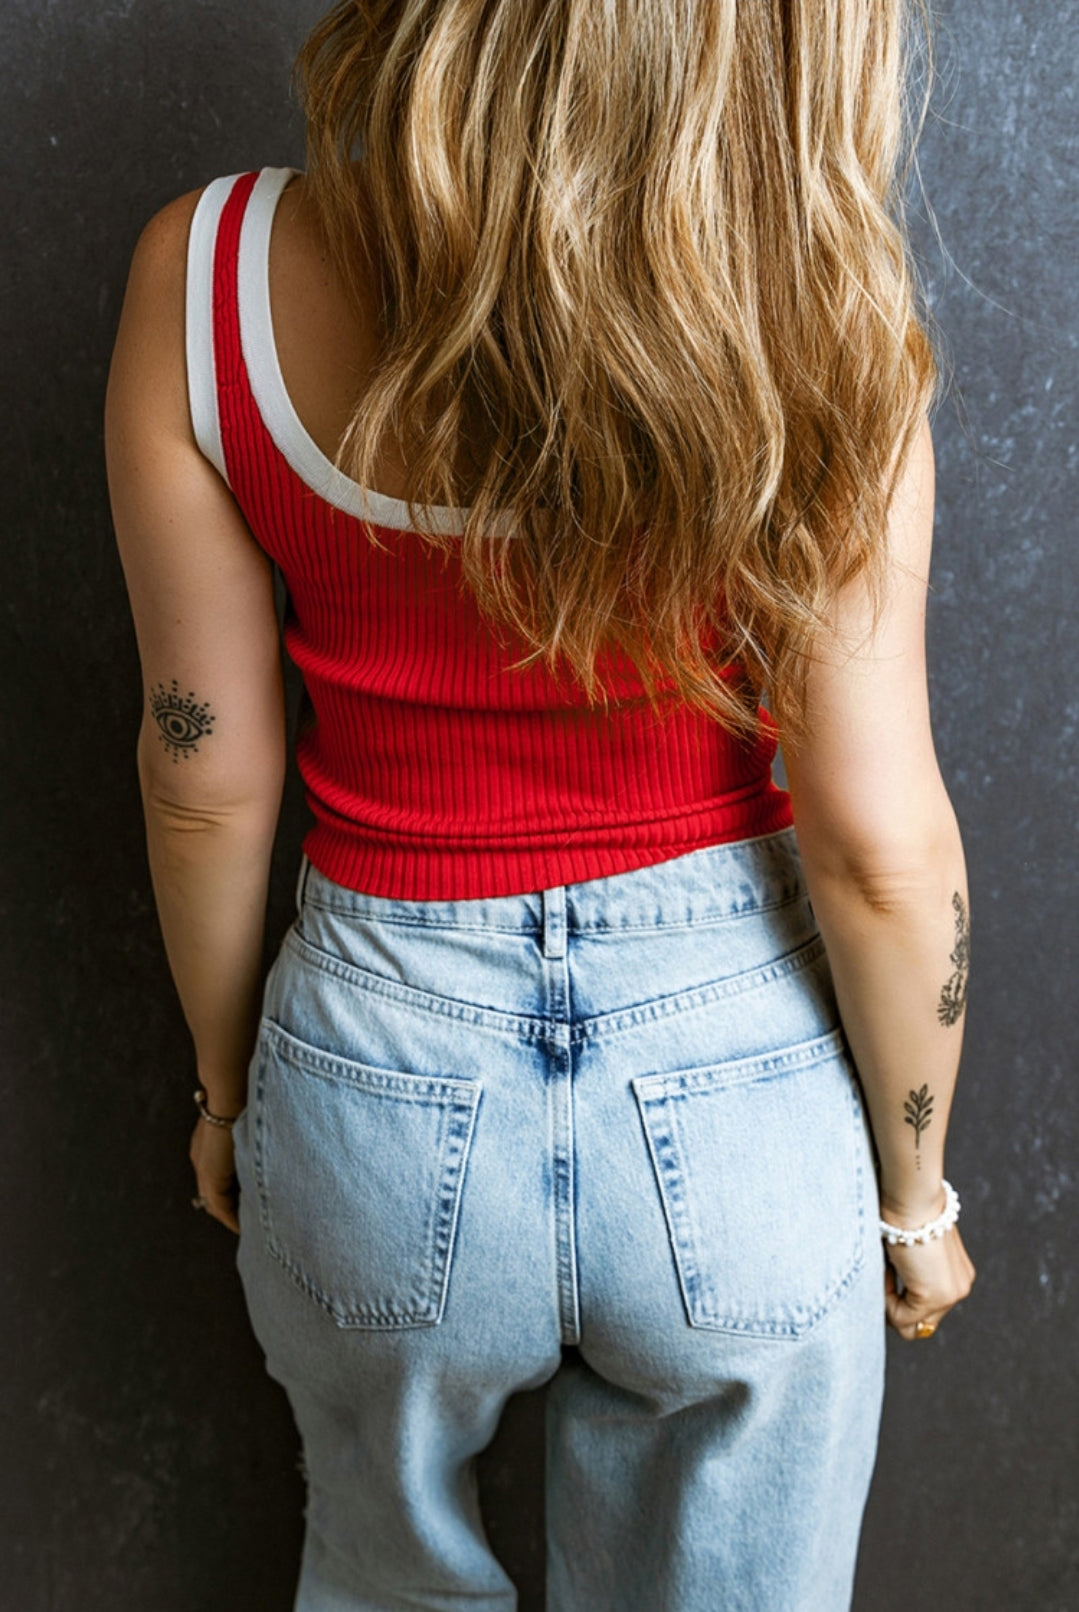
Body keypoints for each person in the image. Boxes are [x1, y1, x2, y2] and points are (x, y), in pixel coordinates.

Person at [104, 1, 976, 1606]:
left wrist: (235, 1104)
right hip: (738, 1102)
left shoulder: (208, 276)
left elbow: (202, 787)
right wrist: (917, 1201)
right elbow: (881, 846)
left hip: (377, 1084)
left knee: (375, 1576)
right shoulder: (831, 312)